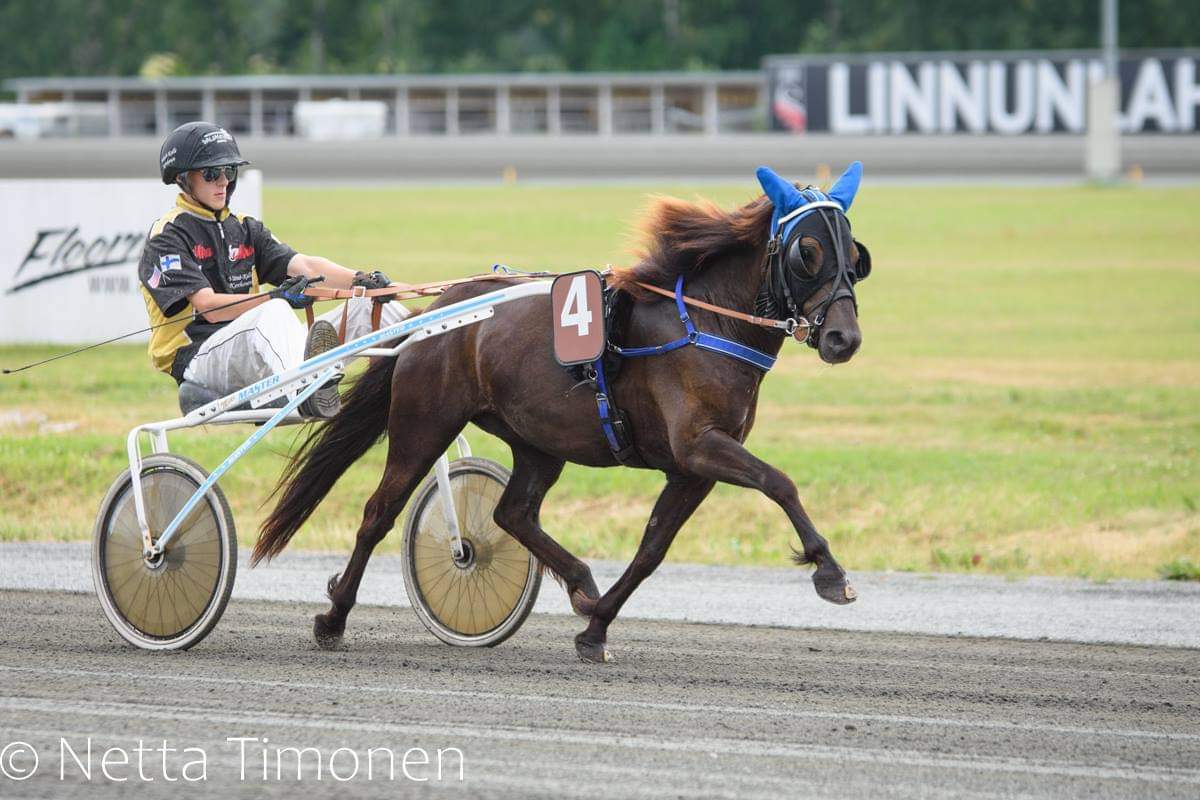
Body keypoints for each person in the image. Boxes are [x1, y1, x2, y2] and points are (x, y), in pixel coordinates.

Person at [137, 121, 408, 418]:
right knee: (274, 311)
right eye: (212, 173)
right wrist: (274, 298)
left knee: (369, 307)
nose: (223, 181)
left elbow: (304, 267)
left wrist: (361, 279)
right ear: (183, 178)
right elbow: (209, 308)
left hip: (260, 349)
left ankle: (420, 380)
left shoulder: (244, 226)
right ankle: (305, 389)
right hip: (200, 359)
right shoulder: (167, 235)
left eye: (229, 171)